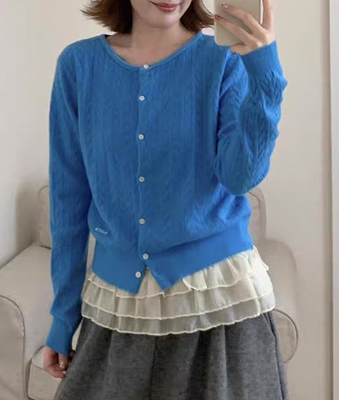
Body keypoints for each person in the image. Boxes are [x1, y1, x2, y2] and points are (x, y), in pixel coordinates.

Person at [43, 0, 289, 399]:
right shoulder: (79, 66)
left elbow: (240, 177)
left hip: (221, 301)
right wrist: (63, 315)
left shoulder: (224, 61)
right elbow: (68, 199)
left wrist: (265, 76)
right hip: (117, 302)